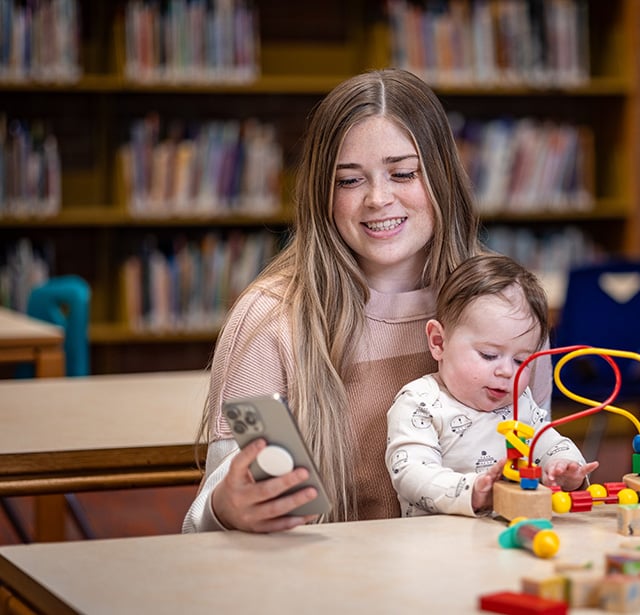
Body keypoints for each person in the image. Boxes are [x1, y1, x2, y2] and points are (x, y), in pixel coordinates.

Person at [182, 69, 553, 533]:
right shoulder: (270, 319)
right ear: (323, 193)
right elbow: (205, 524)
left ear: (441, 176)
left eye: (403, 173)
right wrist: (225, 507)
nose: (379, 198)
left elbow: (530, 470)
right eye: (349, 181)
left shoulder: (505, 310)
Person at [385, 254, 599, 518]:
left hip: (508, 538)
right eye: (488, 355)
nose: (507, 371)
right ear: (439, 342)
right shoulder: (420, 402)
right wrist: (472, 492)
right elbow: (410, 473)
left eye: (522, 360)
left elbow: (549, 441)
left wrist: (565, 468)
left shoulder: (521, 403)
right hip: (436, 543)